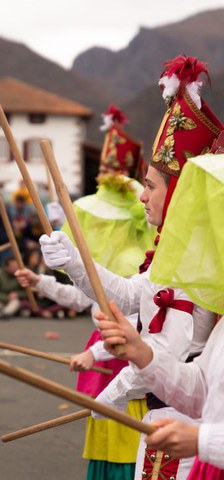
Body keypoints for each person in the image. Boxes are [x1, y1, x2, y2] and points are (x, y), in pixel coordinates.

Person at [39, 55, 224, 479]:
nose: (143, 196)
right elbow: (128, 295)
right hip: (165, 419)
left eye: (152, 186)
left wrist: (116, 390)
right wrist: (73, 259)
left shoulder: (203, 266)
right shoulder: (173, 256)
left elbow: (175, 350)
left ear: (178, 194)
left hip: (190, 432)